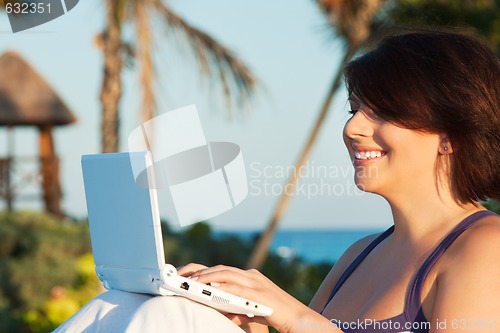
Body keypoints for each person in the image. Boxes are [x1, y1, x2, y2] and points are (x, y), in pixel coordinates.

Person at [55, 28, 499, 333]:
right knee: (130, 305)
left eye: (382, 111)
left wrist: (296, 316)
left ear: (450, 135)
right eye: (354, 110)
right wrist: (249, 317)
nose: (353, 128)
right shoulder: (361, 254)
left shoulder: (485, 247)